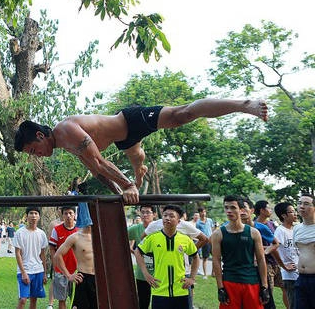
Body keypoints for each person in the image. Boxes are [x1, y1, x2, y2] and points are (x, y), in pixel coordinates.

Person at [14, 99, 268, 204]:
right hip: (125, 142)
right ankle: (139, 166)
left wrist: (127, 186)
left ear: (40, 135)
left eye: (33, 150)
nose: (35, 155)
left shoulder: (65, 130)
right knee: (137, 158)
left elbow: (100, 163)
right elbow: (97, 171)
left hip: (130, 121)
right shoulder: (65, 144)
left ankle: (244, 105)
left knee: (182, 115)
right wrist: (116, 196)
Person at [134, 205, 198, 309]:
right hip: (159, 290)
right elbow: (138, 252)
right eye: (165, 215)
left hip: (181, 290)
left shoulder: (185, 239)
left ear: (178, 221)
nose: (167, 218)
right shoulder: (153, 238)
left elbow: (196, 257)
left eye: (171, 216)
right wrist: (146, 274)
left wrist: (192, 278)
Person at [211, 195, 269, 309]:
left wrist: (264, 286)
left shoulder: (254, 233)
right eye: (226, 208)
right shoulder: (218, 234)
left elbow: (261, 259)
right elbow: (216, 261)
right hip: (229, 281)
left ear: (241, 210)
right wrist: (220, 288)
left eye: (232, 207)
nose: (229, 211)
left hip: (251, 281)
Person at [54, 225, 96, 309]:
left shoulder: (101, 236)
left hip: (99, 279)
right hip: (83, 278)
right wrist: (68, 275)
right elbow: (57, 256)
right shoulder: (75, 237)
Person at [14, 206, 48, 309]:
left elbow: (42, 254)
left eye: (36, 213)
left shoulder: (41, 234)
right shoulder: (20, 233)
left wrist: (45, 273)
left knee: (34, 299)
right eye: (31, 213)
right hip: (24, 270)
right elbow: (18, 253)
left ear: (39, 217)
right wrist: (23, 272)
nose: (33, 216)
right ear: (27, 216)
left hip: (38, 270)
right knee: (23, 299)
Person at [49, 206, 78, 309]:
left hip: (77, 270)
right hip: (60, 270)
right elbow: (52, 248)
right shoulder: (56, 230)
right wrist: (55, 262)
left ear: (74, 215)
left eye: (70, 213)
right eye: (65, 213)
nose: (68, 216)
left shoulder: (79, 229)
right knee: (62, 299)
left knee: (77, 299)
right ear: (62, 215)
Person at [127, 205, 156, 309]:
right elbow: (120, 237)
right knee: (143, 303)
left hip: (159, 273)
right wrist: (134, 252)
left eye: (148, 212)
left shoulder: (160, 228)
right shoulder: (135, 229)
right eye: (142, 212)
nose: (145, 215)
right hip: (142, 274)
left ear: (154, 214)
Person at [273, 202, 299, 309]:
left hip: (301, 273)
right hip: (290, 276)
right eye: (292, 212)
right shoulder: (280, 230)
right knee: (294, 304)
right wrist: (284, 266)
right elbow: (273, 249)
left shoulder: (296, 229)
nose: (295, 214)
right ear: (284, 215)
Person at [294, 194, 315, 309]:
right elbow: (297, 251)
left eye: (306, 204)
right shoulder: (297, 228)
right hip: (301, 279)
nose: (301, 206)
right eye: (299, 203)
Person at [196, 206, 215, 279]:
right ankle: (205, 274)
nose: (203, 213)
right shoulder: (198, 223)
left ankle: (213, 272)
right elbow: (198, 233)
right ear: (199, 213)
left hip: (212, 240)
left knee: (215, 257)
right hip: (205, 242)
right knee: (205, 258)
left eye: (204, 212)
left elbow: (212, 229)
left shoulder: (209, 220)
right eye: (201, 212)